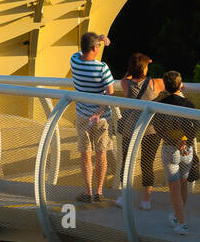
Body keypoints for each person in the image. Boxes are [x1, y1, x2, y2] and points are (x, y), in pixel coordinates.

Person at [69, 32, 115, 205]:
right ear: (96, 48)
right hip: (101, 119)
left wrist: (99, 39)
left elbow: (83, 51)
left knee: (85, 154)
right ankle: (99, 191)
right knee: (101, 154)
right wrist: (99, 112)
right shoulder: (102, 68)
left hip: (82, 115)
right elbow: (110, 94)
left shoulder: (74, 60)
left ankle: (87, 192)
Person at [115, 53, 164, 209]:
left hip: (130, 128)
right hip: (151, 129)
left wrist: (134, 68)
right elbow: (174, 83)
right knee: (147, 163)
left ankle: (124, 197)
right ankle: (145, 200)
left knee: (126, 161)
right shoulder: (156, 83)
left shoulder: (125, 84)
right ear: (145, 67)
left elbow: (125, 78)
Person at [152, 70, 198, 234]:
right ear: (180, 85)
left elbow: (157, 127)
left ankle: (182, 223)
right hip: (187, 151)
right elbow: (196, 125)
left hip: (170, 150)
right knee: (183, 185)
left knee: (174, 188)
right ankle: (179, 217)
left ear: (165, 86)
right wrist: (185, 141)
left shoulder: (161, 104)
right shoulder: (189, 104)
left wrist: (173, 141)